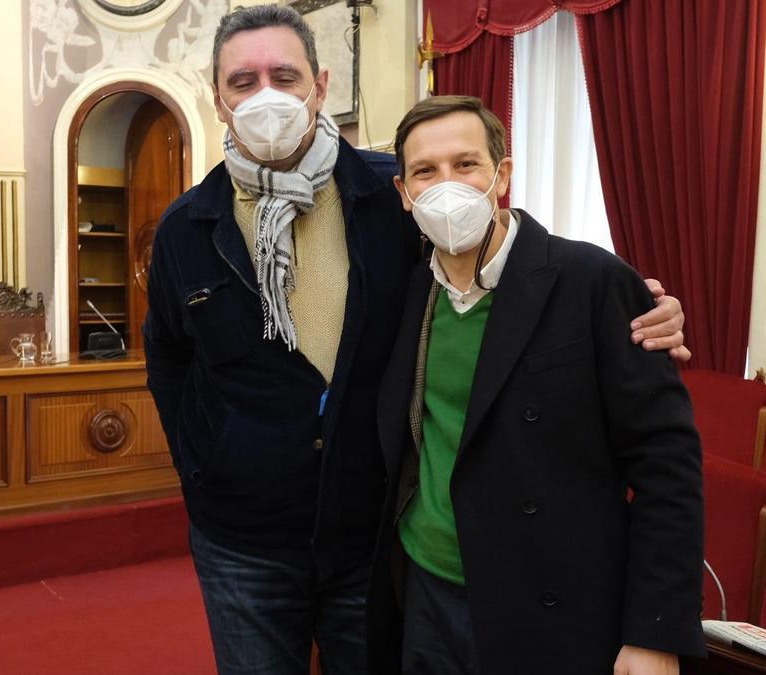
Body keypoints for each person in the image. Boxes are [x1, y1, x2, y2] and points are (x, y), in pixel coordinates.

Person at [143, 7, 688, 674]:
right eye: (244, 81)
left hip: (368, 536)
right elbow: (169, 359)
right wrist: (200, 467)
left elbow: (498, 249)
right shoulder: (184, 229)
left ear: (320, 84)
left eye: (284, 76)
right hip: (243, 541)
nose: (266, 97)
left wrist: (637, 299)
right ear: (219, 99)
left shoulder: (387, 196)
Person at [365, 95, 705, 674]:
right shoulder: (406, 293)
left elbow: (665, 463)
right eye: (426, 171)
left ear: (502, 175)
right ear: (403, 192)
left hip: (550, 598)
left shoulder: (591, 280)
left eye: (465, 164)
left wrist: (656, 631)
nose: (447, 185)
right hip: (427, 588)